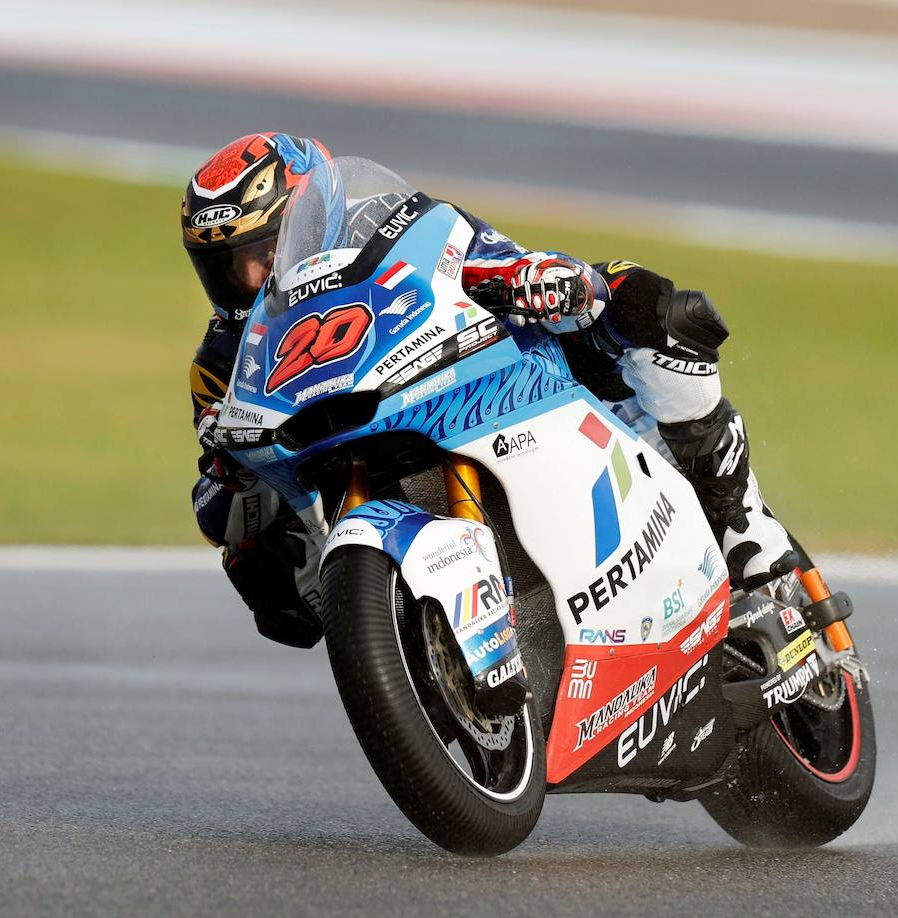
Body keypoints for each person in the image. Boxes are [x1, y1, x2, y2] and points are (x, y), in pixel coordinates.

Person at [183, 133, 798, 648]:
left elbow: (484, 254)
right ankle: (409, 639)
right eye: (224, 267)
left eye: (261, 253)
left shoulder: (387, 227)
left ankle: (742, 526)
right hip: (341, 467)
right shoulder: (223, 358)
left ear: (310, 218)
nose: (249, 280)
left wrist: (534, 278)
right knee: (249, 552)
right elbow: (216, 492)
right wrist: (226, 467)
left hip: (480, 383)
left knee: (647, 302)